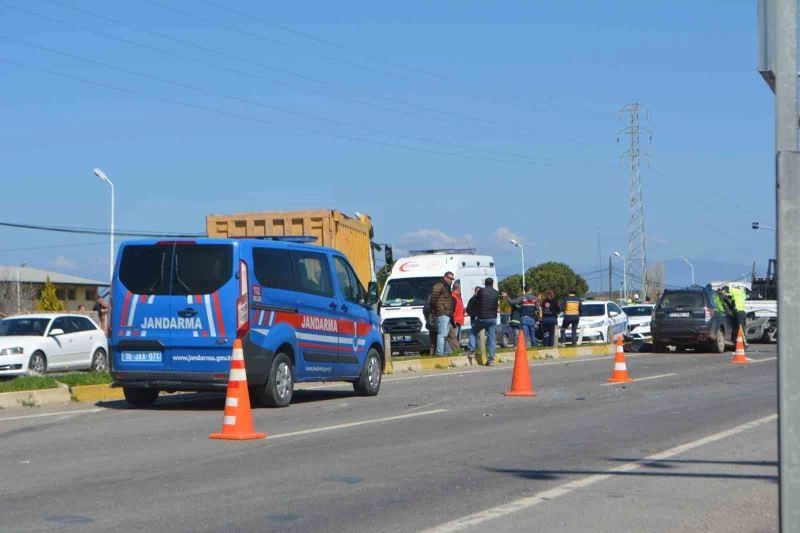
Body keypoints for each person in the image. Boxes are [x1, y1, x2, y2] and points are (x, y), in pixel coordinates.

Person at [470, 278, 500, 366]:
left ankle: (471, 351)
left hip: (482, 317)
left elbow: (476, 300)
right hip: (493, 318)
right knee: (491, 339)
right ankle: (491, 360)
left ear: (485, 283)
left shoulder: (481, 291)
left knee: (473, 331)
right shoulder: (496, 293)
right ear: (492, 283)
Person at [428, 271, 455, 356]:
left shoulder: (447, 287)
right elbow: (433, 299)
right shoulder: (439, 285)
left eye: (452, 279)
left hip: (447, 313)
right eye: (450, 278)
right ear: (445, 277)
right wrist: (433, 309)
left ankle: (444, 353)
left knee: (444, 335)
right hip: (442, 312)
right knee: (441, 335)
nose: (451, 280)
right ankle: (440, 354)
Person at [465, 286, 481, 363]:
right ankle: (473, 349)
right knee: (474, 334)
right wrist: (473, 315)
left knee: (479, 335)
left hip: (481, 318)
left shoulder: (481, 299)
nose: (479, 293)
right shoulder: (472, 299)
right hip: (474, 319)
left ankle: (478, 348)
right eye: (478, 291)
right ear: (475, 292)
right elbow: (468, 309)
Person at [449, 281, 465, 353]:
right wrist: (453, 320)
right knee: (454, 338)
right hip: (455, 321)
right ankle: (454, 352)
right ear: (459, 288)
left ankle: (456, 352)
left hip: (459, 320)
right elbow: (451, 309)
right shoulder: (453, 296)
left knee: (457, 338)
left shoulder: (458, 296)